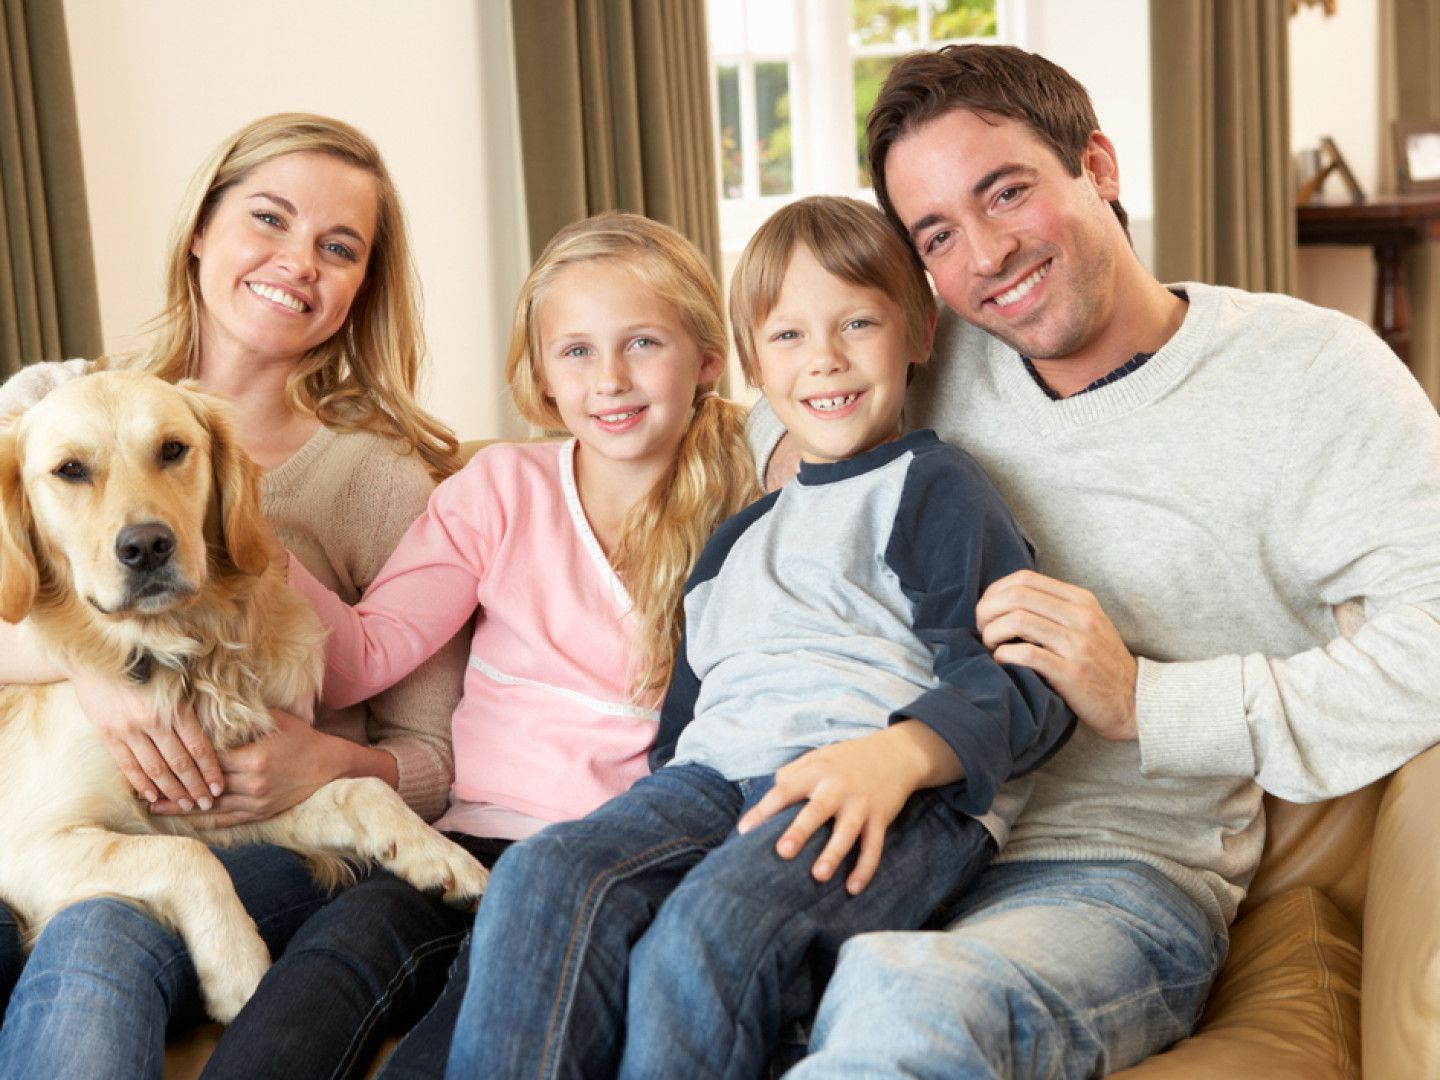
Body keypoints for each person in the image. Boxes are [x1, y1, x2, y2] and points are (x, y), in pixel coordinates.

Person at [741, 45, 1440, 1077]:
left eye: (1007, 192)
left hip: (1102, 874)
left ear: (1099, 167)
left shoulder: (1309, 376)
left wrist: (1149, 702)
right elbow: (774, 419)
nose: (985, 254)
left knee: (904, 1001)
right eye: (938, 233)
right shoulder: (922, 359)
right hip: (880, 836)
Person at [440, 194, 1074, 1080]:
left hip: (873, 789)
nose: (825, 361)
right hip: (711, 780)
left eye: (857, 322)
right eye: (788, 337)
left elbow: (1021, 684)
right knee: (543, 877)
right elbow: (686, 719)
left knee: (702, 936)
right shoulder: (735, 536)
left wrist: (896, 757)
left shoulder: (935, 487)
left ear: (919, 332)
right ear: (747, 362)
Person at [0, 113, 472, 1080]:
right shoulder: (46, 403)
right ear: (201, 233)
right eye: (270, 218)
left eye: (338, 247)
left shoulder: (382, 479)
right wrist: (98, 676)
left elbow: (436, 756)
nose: (299, 261)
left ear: (360, 287)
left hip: (264, 829)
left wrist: (322, 761)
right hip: (60, 804)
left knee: (99, 931)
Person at [273, 211, 758, 1078]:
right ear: (540, 373)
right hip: (467, 842)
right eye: (575, 351)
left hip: (607, 869)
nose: (609, 378)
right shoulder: (501, 488)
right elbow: (360, 656)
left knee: (460, 1038)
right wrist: (253, 542)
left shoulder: (749, 502)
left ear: (708, 361)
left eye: (642, 342)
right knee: (322, 974)